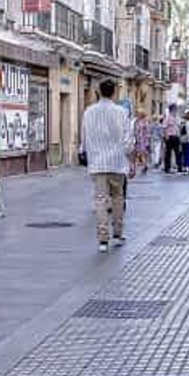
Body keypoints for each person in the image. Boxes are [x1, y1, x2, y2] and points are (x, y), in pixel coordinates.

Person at [80, 79, 133, 252]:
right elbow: (128, 140)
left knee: (100, 200)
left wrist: (86, 153)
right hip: (117, 163)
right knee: (118, 198)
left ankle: (103, 239)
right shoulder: (121, 112)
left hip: (97, 163)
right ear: (114, 93)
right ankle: (117, 234)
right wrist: (130, 159)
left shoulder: (89, 112)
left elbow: (84, 137)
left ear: (99, 92)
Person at [161, 105, 182, 173]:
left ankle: (179, 167)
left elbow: (178, 127)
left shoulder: (177, 118)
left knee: (178, 152)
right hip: (169, 136)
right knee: (168, 153)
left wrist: (179, 135)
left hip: (176, 136)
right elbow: (164, 127)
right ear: (172, 110)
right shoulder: (167, 118)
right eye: (175, 109)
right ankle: (167, 168)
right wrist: (166, 136)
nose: (176, 111)